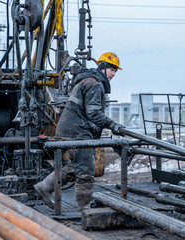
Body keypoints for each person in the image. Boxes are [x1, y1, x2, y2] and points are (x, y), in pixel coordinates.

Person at [34, 52, 125, 210]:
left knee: (77, 167)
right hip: (77, 131)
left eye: (116, 71)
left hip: (71, 129)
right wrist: (113, 125)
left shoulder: (89, 81)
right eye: (112, 69)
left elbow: (90, 114)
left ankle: (45, 186)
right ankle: (84, 208)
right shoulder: (95, 84)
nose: (114, 74)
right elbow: (94, 113)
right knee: (86, 171)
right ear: (102, 67)